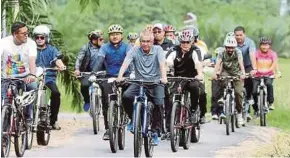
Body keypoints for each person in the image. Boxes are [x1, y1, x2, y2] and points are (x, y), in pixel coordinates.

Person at [117, 30, 167, 146]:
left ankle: (155, 131)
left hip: (156, 82)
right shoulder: (135, 50)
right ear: (140, 41)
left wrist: (164, 77)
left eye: (148, 41)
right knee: (127, 96)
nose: (145, 44)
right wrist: (120, 76)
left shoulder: (158, 50)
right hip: (139, 82)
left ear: (152, 41)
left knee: (159, 104)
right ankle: (132, 118)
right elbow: (126, 62)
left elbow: (162, 64)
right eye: (143, 41)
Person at [93, 24, 132, 140]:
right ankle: (108, 129)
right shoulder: (104, 48)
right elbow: (99, 61)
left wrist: (133, 72)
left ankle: (128, 115)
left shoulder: (127, 47)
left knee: (128, 96)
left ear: (121, 35)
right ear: (109, 36)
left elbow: (131, 60)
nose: (115, 36)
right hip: (109, 76)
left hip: (125, 76)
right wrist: (93, 73)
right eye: (112, 35)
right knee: (106, 99)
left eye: (117, 34)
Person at [0, 21, 38, 121]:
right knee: (3, 102)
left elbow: (32, 60)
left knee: (33, 88)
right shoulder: (4, 42)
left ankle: (28, 117)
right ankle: (4, 129)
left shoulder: (31, 43)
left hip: (26, 77)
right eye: (24, 34)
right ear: (15, 34)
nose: (27, 35)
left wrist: (32, 74)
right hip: (7, 78)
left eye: (27, 33)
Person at [166, 30, 204, 124]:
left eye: (188, 42)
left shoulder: (196, 50)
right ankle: (168, 128)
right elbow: (166, 62)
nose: (185, 44)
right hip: (178, 78)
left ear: (191, 41)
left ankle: (194, 110)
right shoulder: (174, 50)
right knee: (171, 100)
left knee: (194, 87)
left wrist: (199, 74)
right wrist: (165, 72)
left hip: (192, 77)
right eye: (183, 42)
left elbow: (198, 63)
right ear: (179, 42)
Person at [33, 24, 66, 130]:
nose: (39, 39)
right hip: (34, 78)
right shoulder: (31, 49)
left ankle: (53, 121)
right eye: (37, 37)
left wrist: (61, 66)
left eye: (42, 37)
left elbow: (57, 60)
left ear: (46, 38)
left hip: (48, 78)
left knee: (56, 93)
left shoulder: (52, 50)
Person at [214, 35, 246, 126]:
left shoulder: (238, 52)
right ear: (225, 47)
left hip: (236, 73)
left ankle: (239, 114)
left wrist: (243, 73)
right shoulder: (221, 52)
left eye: (232, 48)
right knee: (220, 80)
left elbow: (241, 62)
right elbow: (218, 63)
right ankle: (223, 98)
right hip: (225, 72)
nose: (230, 49)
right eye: (228, 47)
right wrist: (215, 73)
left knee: (238, 92)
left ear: (235, 47)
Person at [74, 29, 104, 111]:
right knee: (84, 85)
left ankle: (106, 105)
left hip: (101, 72)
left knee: (106, 87)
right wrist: (77, 69)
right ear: (94, 40)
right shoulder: (85, 48)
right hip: (87, 72)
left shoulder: (104, 48)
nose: (102, 41)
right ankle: (87, 100)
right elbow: (79, 59)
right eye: (100, 39)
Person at [234, 26, 256, 120]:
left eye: (240, 35)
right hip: (235, 67)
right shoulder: (232, 42)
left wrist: (254, 68)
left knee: (251, 78)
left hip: (247, 66)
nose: (238, 37)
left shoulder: (250, 42)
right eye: (237, 35)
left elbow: (252, 55)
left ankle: (249, 97)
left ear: (244, 35)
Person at [252, 37, 278, 112]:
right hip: (257, 75)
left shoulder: (273, 54)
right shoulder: (256, 53)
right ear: (260, 45)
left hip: (268, 75)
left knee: (269, 85)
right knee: (254, 91)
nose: (264, 47)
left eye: (266, 45)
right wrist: (255, 70)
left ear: (269, 45)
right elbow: (254, 63)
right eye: (263, 45)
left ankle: (270, 102)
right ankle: (255, 106)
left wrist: (269, 71)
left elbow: (274, 64)